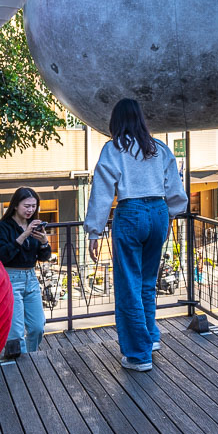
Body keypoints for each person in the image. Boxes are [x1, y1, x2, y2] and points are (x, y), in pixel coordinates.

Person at [85, 98, 188, 372]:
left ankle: (138, 355)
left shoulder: (114, 149)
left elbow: (102, 192)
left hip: (130, 213)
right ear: (141, 119)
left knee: (128, 284)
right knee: (146, 281)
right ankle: (151, 337)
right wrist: (170, 216)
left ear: (116, 121)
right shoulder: (159, 148)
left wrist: (94, 232)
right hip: (158, 212)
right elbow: (176, 191)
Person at [0, 187, 52, 359]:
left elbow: (44, 257)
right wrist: (24, 235)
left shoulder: (35, 226)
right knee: (16, 332)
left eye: (34, 206)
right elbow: (2, 256)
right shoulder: (3, 228)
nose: (30, 210)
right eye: (26, 206)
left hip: (31, 278)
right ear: (15, 205)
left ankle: (29, 356)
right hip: (10, 277)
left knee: (37, 326)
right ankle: (22, 365)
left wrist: (44, 242)